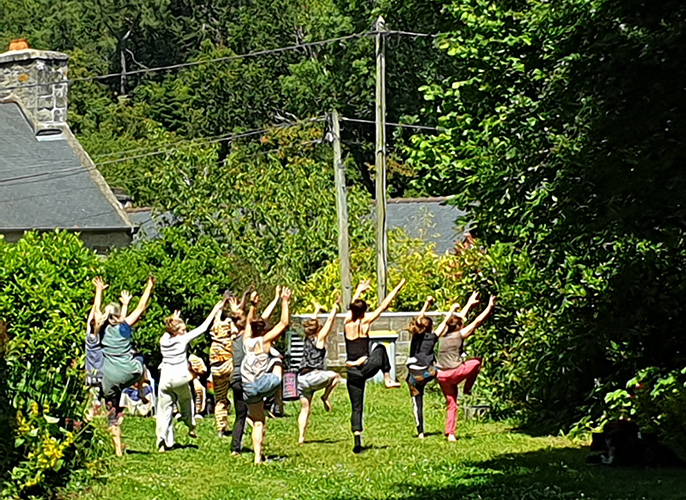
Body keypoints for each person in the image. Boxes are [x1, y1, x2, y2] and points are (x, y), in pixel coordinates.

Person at [94, 275, 155, 456]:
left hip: (109, 378)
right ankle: (142, 390)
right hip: (131, 372)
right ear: (119, 314)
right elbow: (141, 307)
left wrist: (99, 291)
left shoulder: (101, 328)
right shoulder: (125, 326)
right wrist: (149, 286)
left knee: (112, 412)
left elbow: (96, 310)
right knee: (141, 359)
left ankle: (118, 451)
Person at [156, 296, 227, 452]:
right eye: (183, 329)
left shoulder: (164, 340)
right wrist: (215, 309)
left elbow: (169, 331)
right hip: (180, 378)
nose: (185, 331)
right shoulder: (182, 340)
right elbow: (203, 327)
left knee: (163, 411)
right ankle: (190, 426)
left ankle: (162, 442)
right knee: (187, 404)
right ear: (177, 332)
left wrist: (175, 319)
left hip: (165, 379)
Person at [344, 279, 406, 454]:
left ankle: (357, 433)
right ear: (364, 312)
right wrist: (397, 288)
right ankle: (387, 379)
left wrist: (358, 290)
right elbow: (384, 306)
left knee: (357, 406)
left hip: (351, 371)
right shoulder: (365, 322)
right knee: (379, 348)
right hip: (364, 368)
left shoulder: (347, 322)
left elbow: (351, 309)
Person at [211, 287, 281, 438]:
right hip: (248, 378)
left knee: (238, 412)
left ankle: (233, 441)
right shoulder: (249, 339)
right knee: (251, 410)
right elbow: (266, 318)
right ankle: (263, 416)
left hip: (233, 375)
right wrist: (277, 299)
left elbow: (240, 317)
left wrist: (245, 303)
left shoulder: (234, 334)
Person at [435, 293, 496, 442]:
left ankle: (450, 433)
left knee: (452, 404)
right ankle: (468, 388)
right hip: (454, 372)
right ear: (459, 327)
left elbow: (459, 319)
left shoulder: (442, 335)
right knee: (476, 362)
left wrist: (469, 304)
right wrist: (489, 307)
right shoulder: (459, 335)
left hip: (441, 375)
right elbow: (477, 321)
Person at [241, 286, 292, 464]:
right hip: (264, 383)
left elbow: (249, 323)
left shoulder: (246, 341)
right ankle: (278, 400)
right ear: (264, 331)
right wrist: (285, 301)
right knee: (278, 360)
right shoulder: (265, 341)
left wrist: (253, 306)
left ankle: (257, 458)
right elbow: (284, 323)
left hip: (247, 386)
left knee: (258, 422)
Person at [297, 298, 341, 445]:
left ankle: (301, 438)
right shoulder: (319, 339)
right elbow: (329, 323)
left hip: (301, 379)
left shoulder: (307, 338)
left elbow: (312, 324)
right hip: (314, 376)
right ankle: (325, 397)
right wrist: (335, 308)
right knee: (336, 376)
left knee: (305, 409)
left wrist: (316, 310)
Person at [404, 295, 437, 439]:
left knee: (417, 404)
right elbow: (445, 325)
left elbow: (419, 319)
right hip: (425, 371)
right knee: (435, 371)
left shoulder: (416, 337)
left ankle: (421, 432)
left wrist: (426, 304)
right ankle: (428, 374)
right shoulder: (433, 337)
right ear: (431, 328)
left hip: (412, 374)